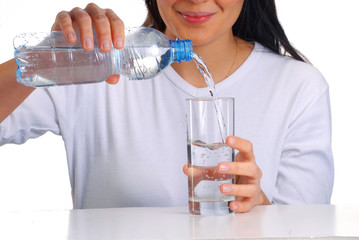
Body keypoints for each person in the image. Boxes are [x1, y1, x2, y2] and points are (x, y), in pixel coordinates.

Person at [0, 0, 334, 213]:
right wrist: (45, 59)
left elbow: (308, 230)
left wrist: (258, 206)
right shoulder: (97, 63)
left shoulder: (298, 88)